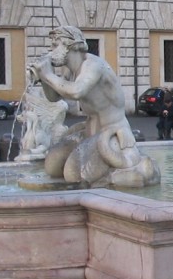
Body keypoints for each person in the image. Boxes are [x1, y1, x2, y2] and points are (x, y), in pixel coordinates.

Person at [27, 25, 157, 187]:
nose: (50, 49)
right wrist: (43, 79)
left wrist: (48, 75)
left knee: (72, 173)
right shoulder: (70, 71)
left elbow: (76, 92)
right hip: (90, 133)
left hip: (111, 134)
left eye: (55, 45)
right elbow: (54, 97)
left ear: (71, 45)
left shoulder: (93, 65)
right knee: (52, 165)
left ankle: (120, 175)